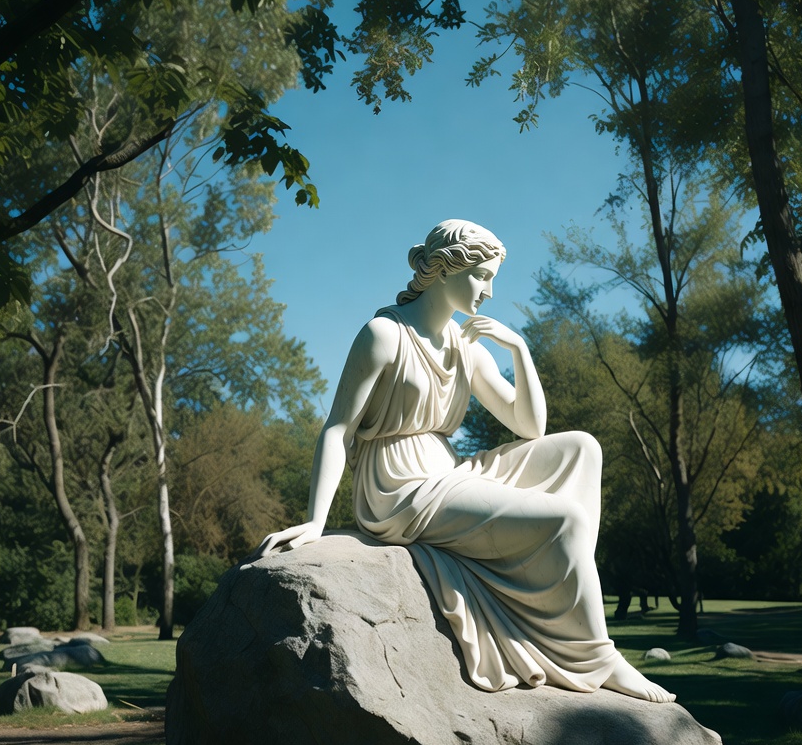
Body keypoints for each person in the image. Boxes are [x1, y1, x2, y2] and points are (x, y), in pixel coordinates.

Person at [255, 220, 674, 703]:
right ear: (445, 270)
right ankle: (600, 659)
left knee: (582, 449)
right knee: (566, 517)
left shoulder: (465, 345)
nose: (490, 291)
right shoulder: (384, 335)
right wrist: (315, 522)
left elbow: (530, 426)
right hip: (399, 486)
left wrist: (519, 350)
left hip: (448, 470)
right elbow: (338, 428)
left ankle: (561, 595)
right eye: (481, 275)